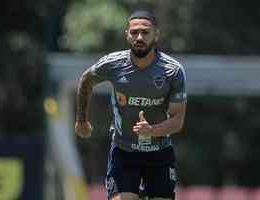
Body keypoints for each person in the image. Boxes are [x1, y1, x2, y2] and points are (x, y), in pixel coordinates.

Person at [75, 10, 187, 200]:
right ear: (126, 34)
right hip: (123, 151)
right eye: (134, 32)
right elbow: (86, 80)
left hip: (159, 153)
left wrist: (152, 130)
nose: (139, 37)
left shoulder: (172, 70)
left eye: (145, 32)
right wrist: (82, 119)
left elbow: (178, 120)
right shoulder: (113, 63)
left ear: (156, 35)